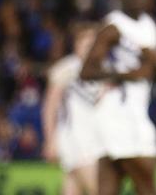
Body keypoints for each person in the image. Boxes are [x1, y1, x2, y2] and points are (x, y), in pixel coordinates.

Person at [80, 0, 156, 195]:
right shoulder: (113, 27)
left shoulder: (149, 25)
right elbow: (86, 71)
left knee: (110, 186)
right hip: (118, 113)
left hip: (137, 109)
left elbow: (154, 73)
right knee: (147, 183)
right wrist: (125, 74)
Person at [43, 22, 101, 195]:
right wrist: (50, 139)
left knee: (72, 188)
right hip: (75, 139)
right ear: (77, 44)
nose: (90, 48)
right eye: (86, 43)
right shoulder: (66, 69)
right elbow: (50, 106)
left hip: (96, 140)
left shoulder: (103, 70)